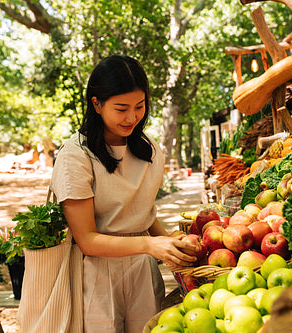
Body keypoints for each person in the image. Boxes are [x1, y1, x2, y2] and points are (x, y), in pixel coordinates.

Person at [50, 55, 199, 333]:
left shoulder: (151, 150)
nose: (132, 117)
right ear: (96, 104)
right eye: (121, 109)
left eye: (139, 107)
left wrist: (169, 243)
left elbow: (142, 213)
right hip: (96, 274)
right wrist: (150, 246)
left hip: (143, 271)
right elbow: (88, 241)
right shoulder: (76, 156)